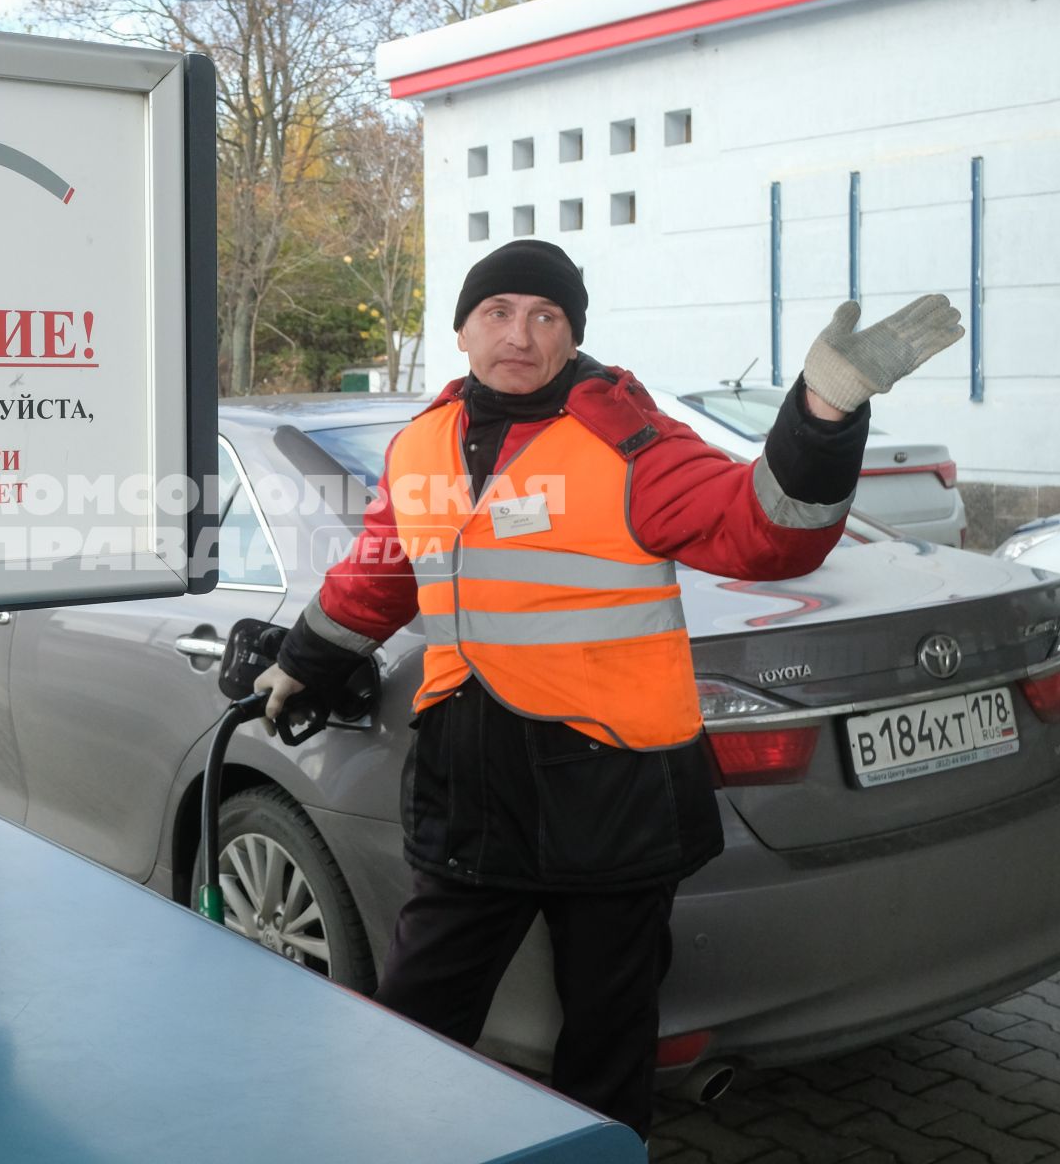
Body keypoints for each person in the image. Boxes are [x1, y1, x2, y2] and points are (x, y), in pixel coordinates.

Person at [255, 238, 963, 1137]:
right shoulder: (420, 444)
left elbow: (767, 533)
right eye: (500, 313)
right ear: (464, 330)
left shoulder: (629, 440)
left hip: (612, 790)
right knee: (419, 1014)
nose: (522, 334)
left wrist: (822, 413)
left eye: (547, 316)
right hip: (471, 785)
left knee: (607, 1037)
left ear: (572, 334)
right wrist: (302, 662)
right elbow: (382, 574)